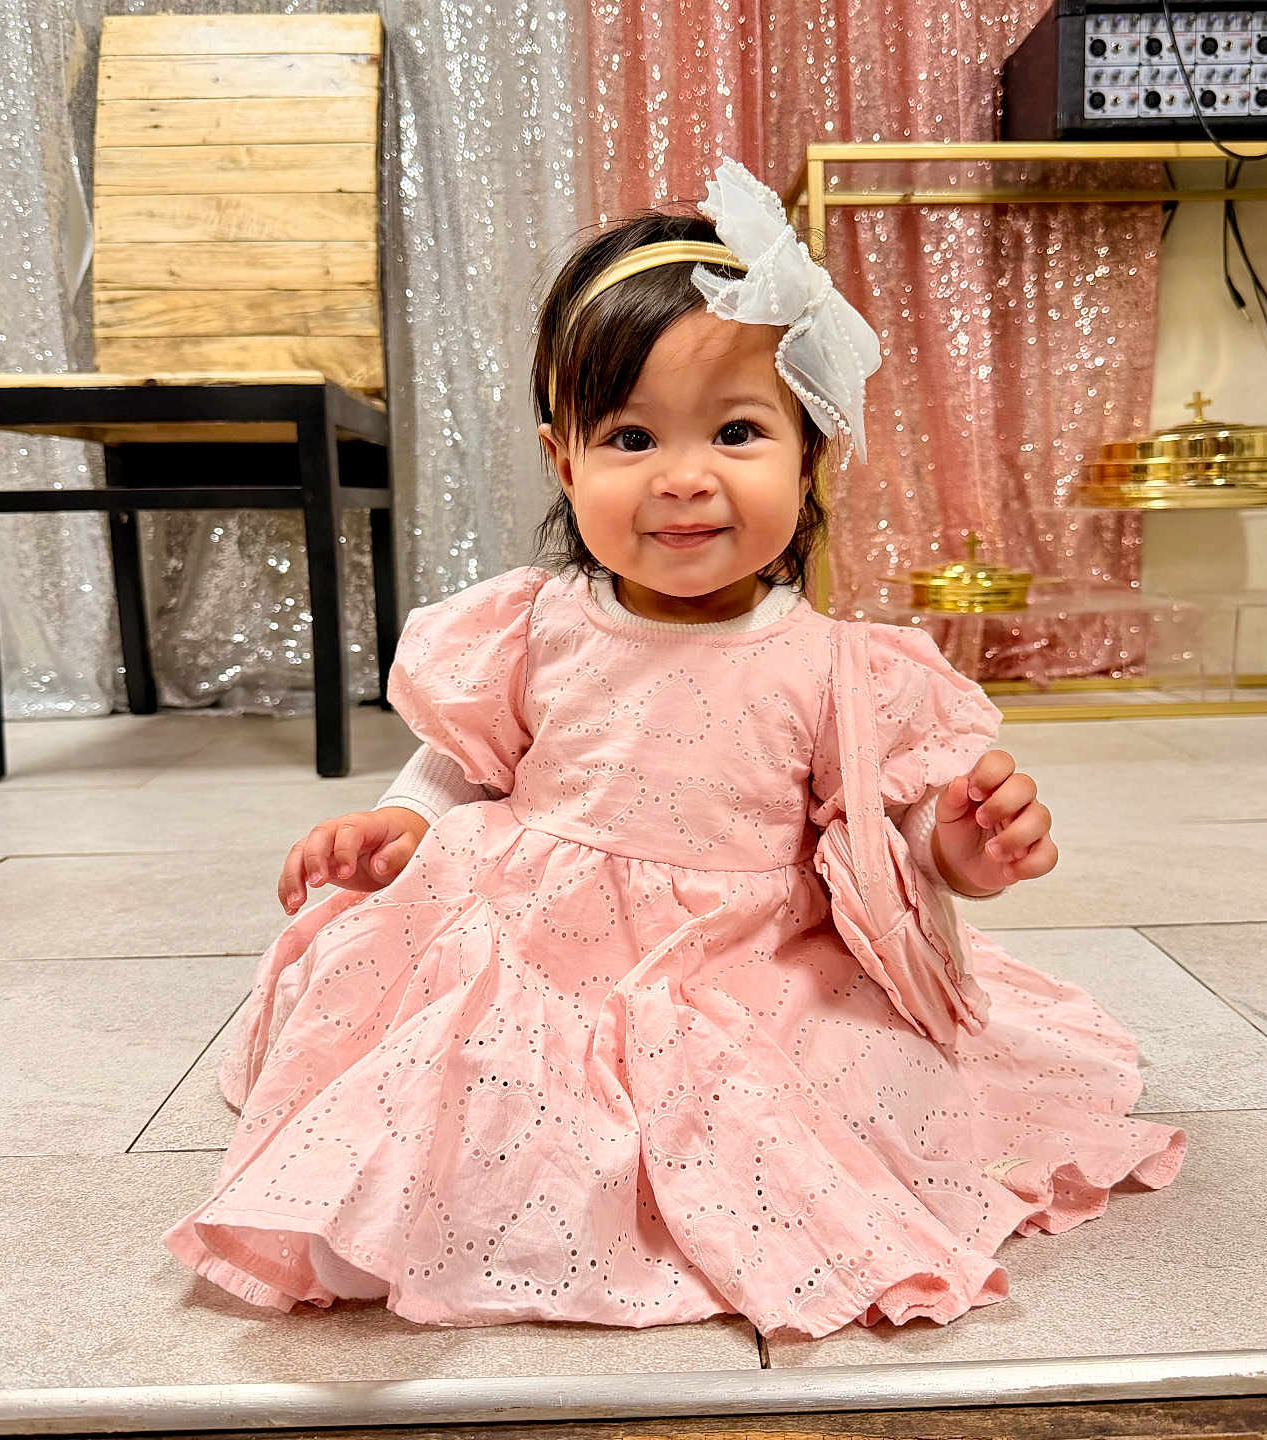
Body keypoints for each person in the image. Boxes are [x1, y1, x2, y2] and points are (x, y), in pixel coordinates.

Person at [161, 158, 1185, 1339]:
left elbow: (877, 825)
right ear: (566, 462)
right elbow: (465, 757)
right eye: (632, 436)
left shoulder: (836, 664)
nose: (685, 478)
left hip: (744, 952)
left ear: (810, 458)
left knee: (807, 1092)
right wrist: (403, 820)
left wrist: (955, 850)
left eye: (737, 431)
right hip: (531, 926)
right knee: (467, 1068)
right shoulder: (533, 624)